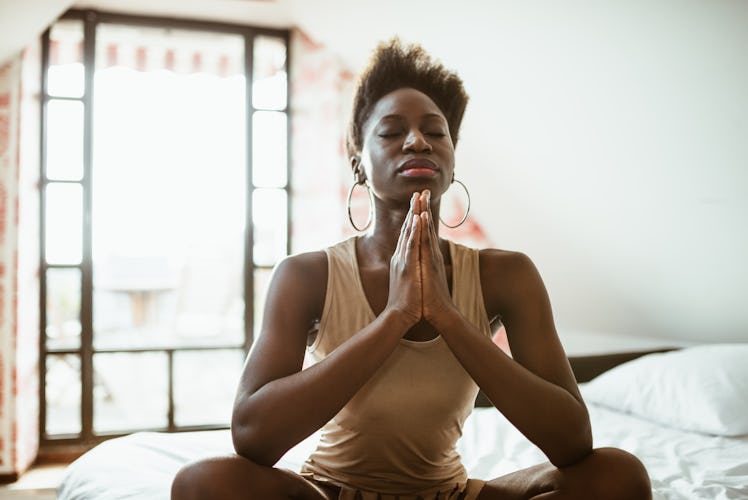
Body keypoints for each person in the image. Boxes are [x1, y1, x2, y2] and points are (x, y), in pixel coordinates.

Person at [172, 39, 652, 500]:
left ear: (450, 157)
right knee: (203, 484)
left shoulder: (507, 275)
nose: (417, 140)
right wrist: (395, 318)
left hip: (449, 493)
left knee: (617, 476)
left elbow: (572, 443)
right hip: (329, 492)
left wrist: (447, 316)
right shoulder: (306, 276)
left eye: (436, 131)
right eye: (391, 131)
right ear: (358, 163)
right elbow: (253, 437)